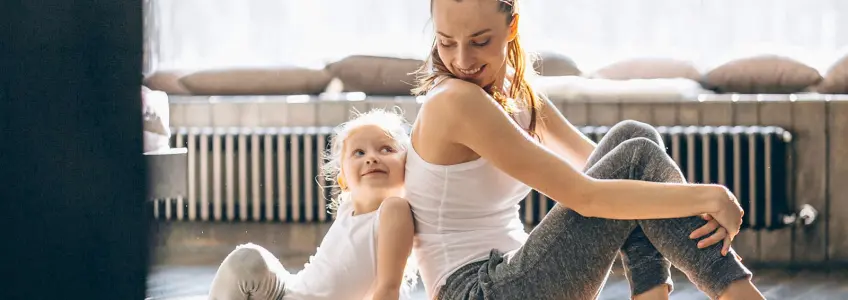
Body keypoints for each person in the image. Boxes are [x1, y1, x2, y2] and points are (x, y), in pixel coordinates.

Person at [405, 0, 766, 299]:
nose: (462, 60)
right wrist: (709, 197)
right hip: (476, 290)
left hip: (511, 270)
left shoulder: (516, 91)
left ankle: (653, 293)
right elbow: (586, 196)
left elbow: (596, 162)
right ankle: (735, 292)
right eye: (446, 42)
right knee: (636, 155)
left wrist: (682, 198)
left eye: (480, 41)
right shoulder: (454, 101)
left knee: (633, 137)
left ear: (511, 28)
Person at [207, 108, 418, 300]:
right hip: (292, 291)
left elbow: (389, 287)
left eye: (386, 149)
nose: (371, 158)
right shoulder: (348, 208)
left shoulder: (393, 209)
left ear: (407, 165)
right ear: (343, 180)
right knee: (247, 259)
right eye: (359, 153)